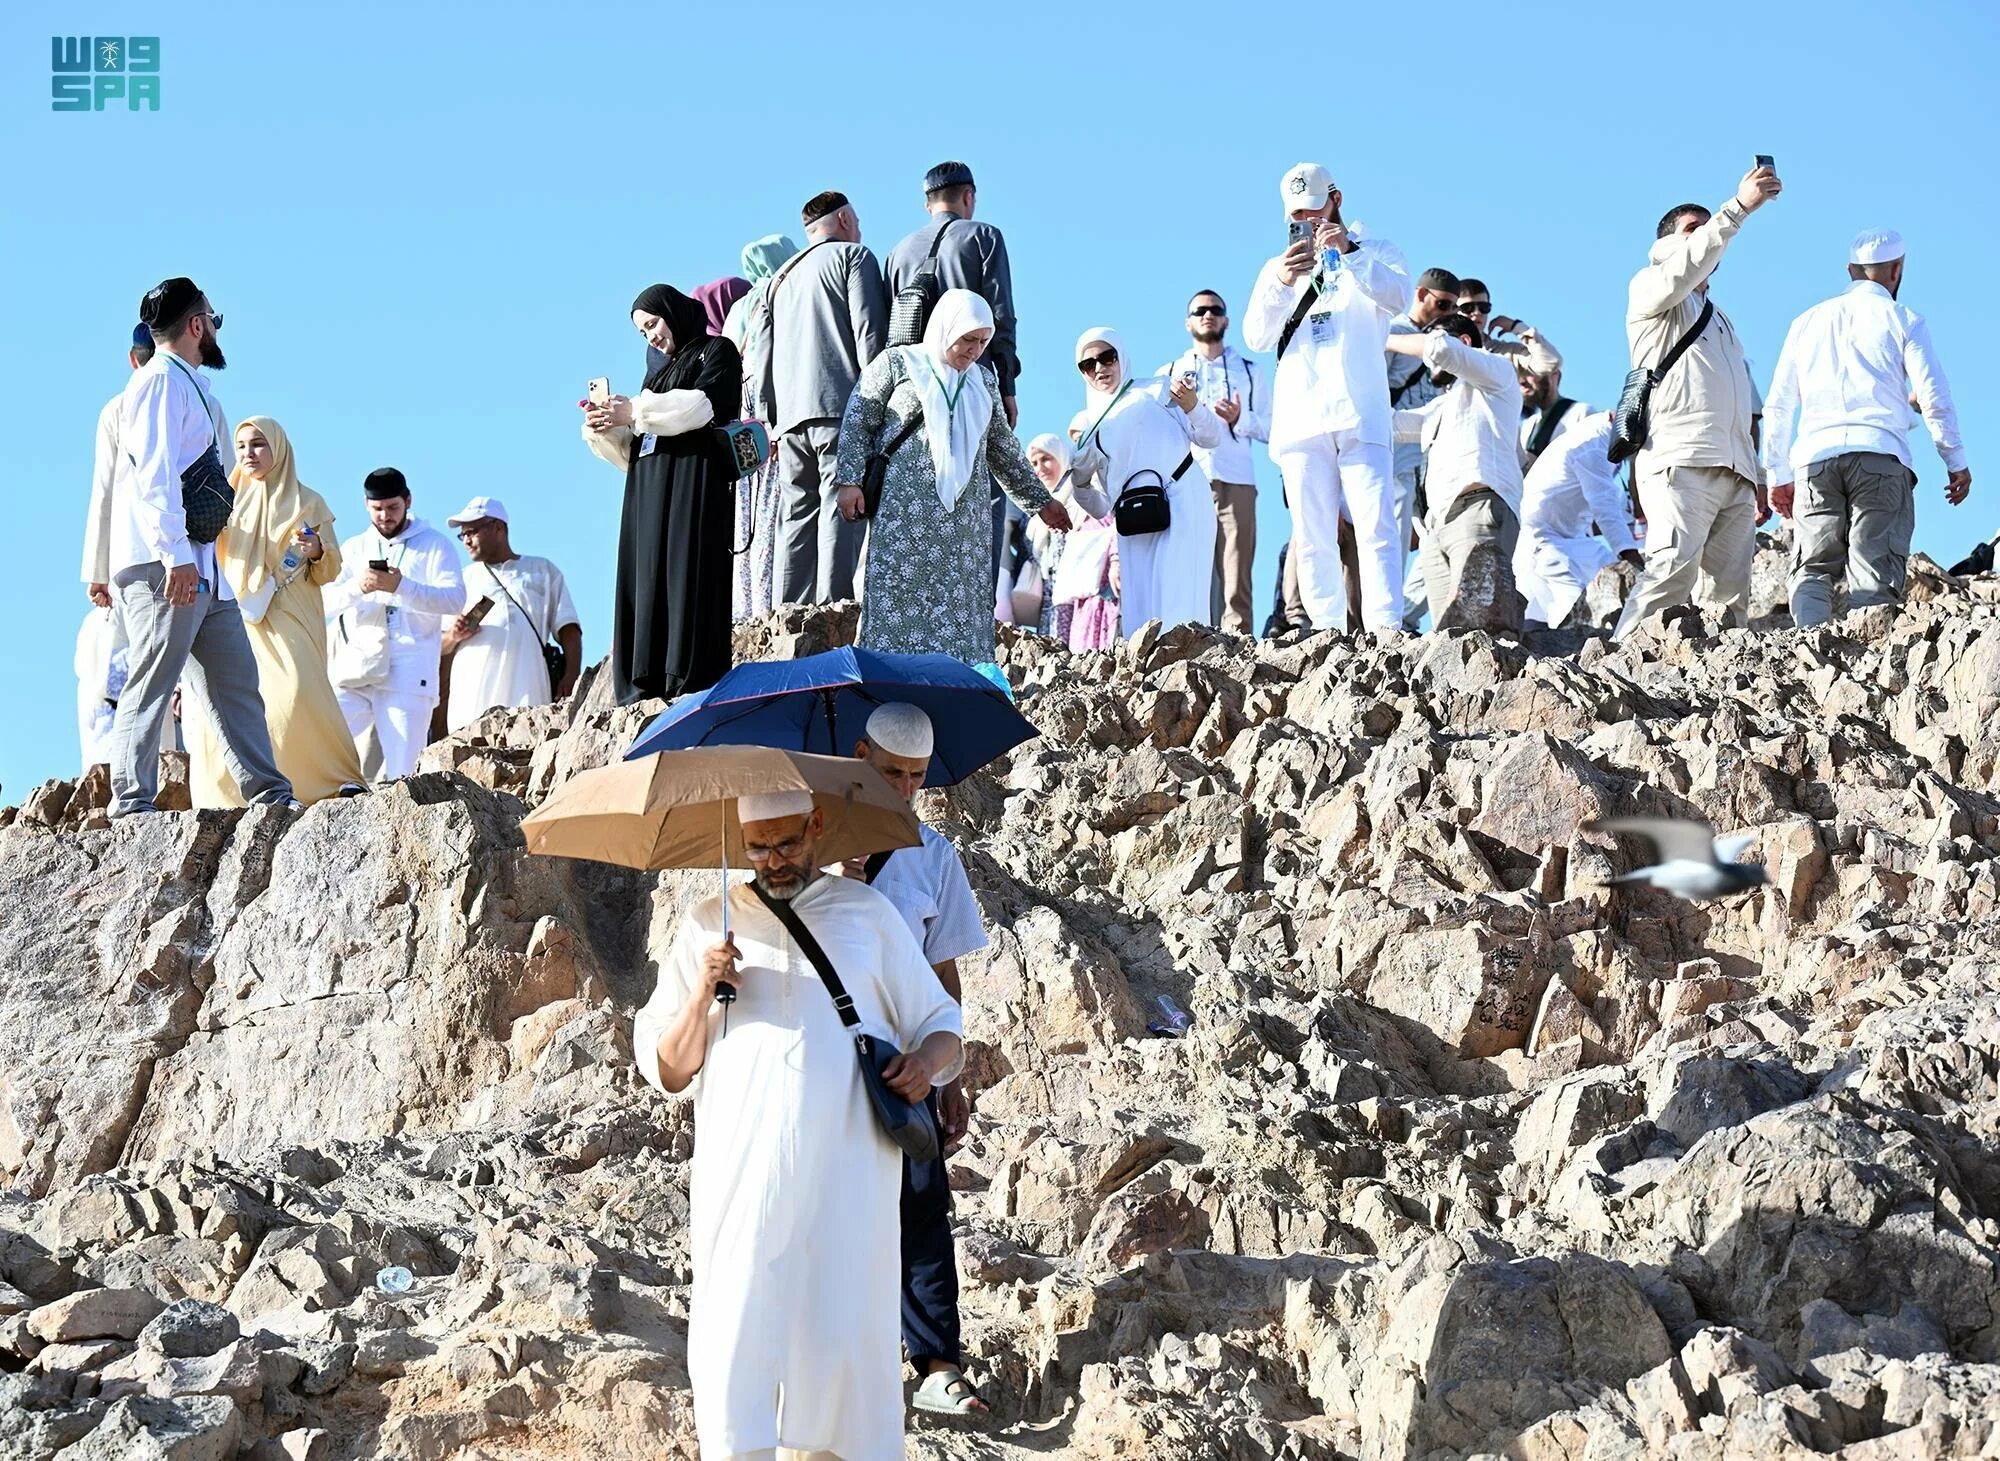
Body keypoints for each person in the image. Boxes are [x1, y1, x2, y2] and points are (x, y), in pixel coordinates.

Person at [633, 789, 965, 1461]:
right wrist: (703, 991)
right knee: (735, 1335)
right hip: (740, 1179)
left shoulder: (866, 915)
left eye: (786, 843)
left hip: (848, 1182)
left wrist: (925, 1066)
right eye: (757, 846)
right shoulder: (708, 924)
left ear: (817, 825)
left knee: (843, 1340)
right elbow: (667, 1068)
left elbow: (943, 1025)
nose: (773, 860)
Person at [835, 704, 992, 1418]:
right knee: (830, 1213)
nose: (902, 788)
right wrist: (836, 875)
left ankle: (936, 1362)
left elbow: (943, 977)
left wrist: (951, 1077)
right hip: (828, 1059)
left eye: (915, 777)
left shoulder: (936, 855)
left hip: (911, 1063)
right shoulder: (806, 842)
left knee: (922, 1209)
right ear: (860, 753)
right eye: (890, 771)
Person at [106, 278, 293, 818]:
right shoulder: (159, 383)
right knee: (152, 681)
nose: (214, 329)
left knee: (235, 681)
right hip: (167, 566)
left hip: (202, 566)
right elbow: (154, 476)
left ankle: (270, 795)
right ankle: (131, 803)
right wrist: (175, 558)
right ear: (195, 325)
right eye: (212, 319)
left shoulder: (189, 384)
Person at [832, 289, 1066, 667]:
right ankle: (889, 690)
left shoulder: (984, 382)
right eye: (968, 339)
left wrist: (1041, 502)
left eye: (983, 342)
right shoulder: (897, 364)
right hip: (905, 516)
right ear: (945, 328)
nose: (974, 350)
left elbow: (1003, 451)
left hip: (963, 526)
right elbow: (859, 420)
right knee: (897, 599)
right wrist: (848, 481)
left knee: (962, 609)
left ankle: (957, 690)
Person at [1763, 229, 1970, 627]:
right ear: (1897, 270)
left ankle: (1811, 652)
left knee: (1812, 569)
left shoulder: (1806, 322)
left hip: (1815, 461)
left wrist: (1778, 475)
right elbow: (1933, 396)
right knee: (1874, 572)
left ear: (1850, 271)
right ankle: (1866, 665)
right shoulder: (1904, 319)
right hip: (1880, 458)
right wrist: (1954, 460)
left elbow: (1779, 404)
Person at [1611, 165, 1783, 641]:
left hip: (1735, 473)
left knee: (1731, 600)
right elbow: (1685, 267)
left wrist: (1759, 477)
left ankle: (1718, 695)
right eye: (1694, 229)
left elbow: (1746, 409)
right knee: (1669, 573)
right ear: (1668, 243)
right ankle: (1613, 671)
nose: (1706, 237)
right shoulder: (1651, 288)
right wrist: (1738, 208)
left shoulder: (1722, 320)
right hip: (1680, 459)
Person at [1244, 162, 1412, 633]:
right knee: (1313, 534)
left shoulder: (1376, 251)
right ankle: (1327, 630)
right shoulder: (1277, 269)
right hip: (1301, 419)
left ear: (1335, 199)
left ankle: (1385, 628)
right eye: (1297, 215)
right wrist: (1280, 282)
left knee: (1377, 524)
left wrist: (1350, 252)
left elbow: (1398, 297)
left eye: (1314, 211)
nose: (1308, 222)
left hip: (1361, 414)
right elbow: (1256, 335)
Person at [186, 417, 364, 807]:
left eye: (259, 445)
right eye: (243, 446)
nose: (250, 454)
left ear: (279, 449)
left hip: (291, 611)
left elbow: (330, 568)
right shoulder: (223, 500)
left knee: (300, 691)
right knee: (237, 700)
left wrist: (316, 548)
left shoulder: (308, 501)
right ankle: (233, 796)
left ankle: (333, 779)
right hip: (235, 613)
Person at [582, 285, 743, 705]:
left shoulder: (717, 351)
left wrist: (634, 412)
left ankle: (685, 677)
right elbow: (633, 449)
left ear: (673, 314)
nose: (651, 336)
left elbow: (700, 408)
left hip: (693, 483)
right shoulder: (654, 377)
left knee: (685, 571)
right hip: (649, 492)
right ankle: (643, 678)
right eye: (642, 332)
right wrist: (607, 426)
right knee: (647, 576)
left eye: (653, 324)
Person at [886, 162, 1023, 583]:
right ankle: (975, 596)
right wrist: (1007, 385)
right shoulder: (983, 236)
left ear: (927, 204)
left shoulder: (898, 252)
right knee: (982, 486)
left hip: (911, 393)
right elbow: (1000, 317)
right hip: (970, 385)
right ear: (969, 196)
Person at [1388, 313, 1557, 632]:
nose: (1426, 364)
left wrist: (1378, 336)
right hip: (1437, 529)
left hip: (1478, 509)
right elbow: (1389, 425)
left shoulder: (1496, 371)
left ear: (1464, 342)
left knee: (1479, 628)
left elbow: (1438, 348)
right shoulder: (1439, 407)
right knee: (1447, 641)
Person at [771, 189, 889, 605]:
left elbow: (763, 353)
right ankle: (830, 607)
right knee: (841, 501)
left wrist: (772, 416)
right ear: (843, 221)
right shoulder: (854, 259)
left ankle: (788, 610)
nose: (859, 229)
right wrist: (882, 404)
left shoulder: (779, 278)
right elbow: (869, 337)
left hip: (788, 418)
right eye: (856, 221)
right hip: (840, 405)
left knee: (796, 513)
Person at [1070, 328, 1219, 638]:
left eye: (1106, 357)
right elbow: (1093, 500)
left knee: (1179, 592)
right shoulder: (1088, 428)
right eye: (1089, 364)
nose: (1100, 368)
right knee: (1142, 610)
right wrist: (1090, 493)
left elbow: (1211, 437)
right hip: (1134, 520)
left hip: (1182, 499)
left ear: (1120, 356)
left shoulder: (1158, 389)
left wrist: (1193, 406)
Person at [323, 468, 464, 780]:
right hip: (354, 669)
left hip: (409, 672)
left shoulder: (435, 545)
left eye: (392, 508)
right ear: (365, 505)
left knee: (402, 771)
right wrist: (357, 587)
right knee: (325, 743)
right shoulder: (354, 548)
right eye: (377, 509)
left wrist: (402, 587)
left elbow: (454, 600)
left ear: (408, 501)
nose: (385, 516)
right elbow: (324, 603)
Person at [1158, 291, 1271, 634]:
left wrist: (1241, 419)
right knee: (1190, 564)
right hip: (1188, 480)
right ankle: (1193, 635)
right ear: (1188, 321)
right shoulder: (1170, 372)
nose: (1208, 315)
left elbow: (1273, 427)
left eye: (1215, 310)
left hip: (1237, 477)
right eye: (1199, 310)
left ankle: (1239, 638)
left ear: (1227, 320)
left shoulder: (1250, 371)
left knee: (1237, 568)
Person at [440, 496, 582, 733]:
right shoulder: (461, 581)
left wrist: (572, 676)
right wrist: (454, 635)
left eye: (472, 531)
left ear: (498, 528)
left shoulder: (543, 570)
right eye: (462, 534)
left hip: (529, 696)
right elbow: (438, 645)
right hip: (472, 702)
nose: (466, 540)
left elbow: (568, 629)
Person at [723, 234, 803, 621]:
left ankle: (745, 607)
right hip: (771, 404)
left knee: (745, 515)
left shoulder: (739, 308)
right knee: (775, 506)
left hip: (739, 417)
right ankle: (770, 602)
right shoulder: (783, 294)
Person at [1385, 268, 1462, 631]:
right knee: (1396, 537)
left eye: (1452, 308)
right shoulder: (1394, 332)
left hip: (1432, 457)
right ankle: (1386, 620)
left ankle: (1406, 616)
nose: (1446, 312)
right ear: (1420, 294)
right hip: (1398, 450)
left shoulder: (1444, 341)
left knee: (1436, 540)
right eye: (1442, 304)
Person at [1514, 411, 1639, 629]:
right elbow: (1604, 507)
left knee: (1618, 586)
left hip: (1570, 540)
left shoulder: (1604, 438)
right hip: (1543, 544)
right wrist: (1631, 556)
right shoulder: (1594, 444)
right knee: (1577, 622)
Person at [83, 322, 156, 612]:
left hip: (135, 557)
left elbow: (104, 492)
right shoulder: (206, 402)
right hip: (200, 559)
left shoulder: (116, 410)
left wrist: (98, 571)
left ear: (132, 358)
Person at [1518, 364, 1591, 470]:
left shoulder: (1580, 412)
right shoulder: (1527, 425)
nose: (1522, 381)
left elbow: (1590, 464)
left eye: (1529, 372)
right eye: (1519, 374)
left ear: (1554, 374)